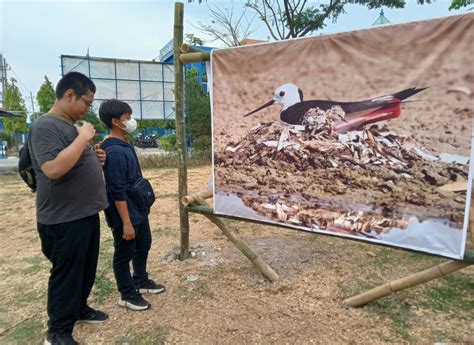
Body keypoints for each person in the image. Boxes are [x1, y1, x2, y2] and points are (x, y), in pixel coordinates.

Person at [29, 72, 109, 345]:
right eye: (87, 103)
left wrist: (96, 158)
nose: (88, 109)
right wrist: (82, 138)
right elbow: (52, 168)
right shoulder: (45, 126)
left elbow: (73, 161)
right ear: (70, 95)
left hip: (85, 213)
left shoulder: (70, 125)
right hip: (63, 219)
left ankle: (79, 309)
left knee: (85, 268)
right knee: (66, 274)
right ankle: (58, 331)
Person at [99, 99, 165, 311]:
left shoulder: (124, 143)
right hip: (124, 211)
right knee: (124, 252)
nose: (131, 121)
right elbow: (117, 190)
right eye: (127, 118)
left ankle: (140, 279)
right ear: (116, 121)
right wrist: (126, 223)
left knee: (144, 243)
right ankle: (126, 293)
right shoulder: (115, 151)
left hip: (137, 207)